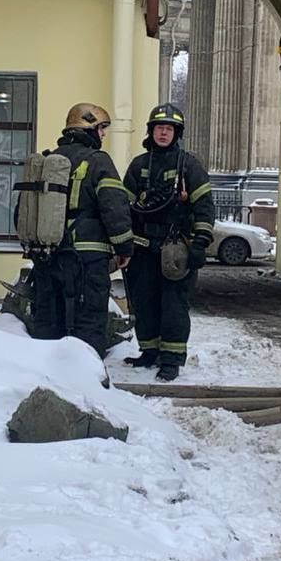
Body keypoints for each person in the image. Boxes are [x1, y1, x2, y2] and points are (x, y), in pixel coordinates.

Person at [28, 103, 134, 358]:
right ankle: (87, 381)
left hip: (48, 254)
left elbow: (23, 211)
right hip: (88, 260)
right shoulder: (98, 161)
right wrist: (124, 248)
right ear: (88, 127)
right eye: (101, 129)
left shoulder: (47, 161)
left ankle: (45, 381)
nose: (103, 135)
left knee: (49, 319)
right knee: (88, 321)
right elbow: (114, 207)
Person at [121, 103, 215, 382]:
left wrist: (200, 243)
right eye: (159, 128)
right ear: (151, 132)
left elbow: (205, 207)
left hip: (176, 248)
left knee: (174, 304)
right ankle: (149, 351)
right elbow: (123, 207)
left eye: (169, 128)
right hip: (143, 246)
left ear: (177, 133)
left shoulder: (189, 165)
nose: (164, 133)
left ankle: (171, 359)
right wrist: (123, 244)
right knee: (144, 301)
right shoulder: (139, 165)